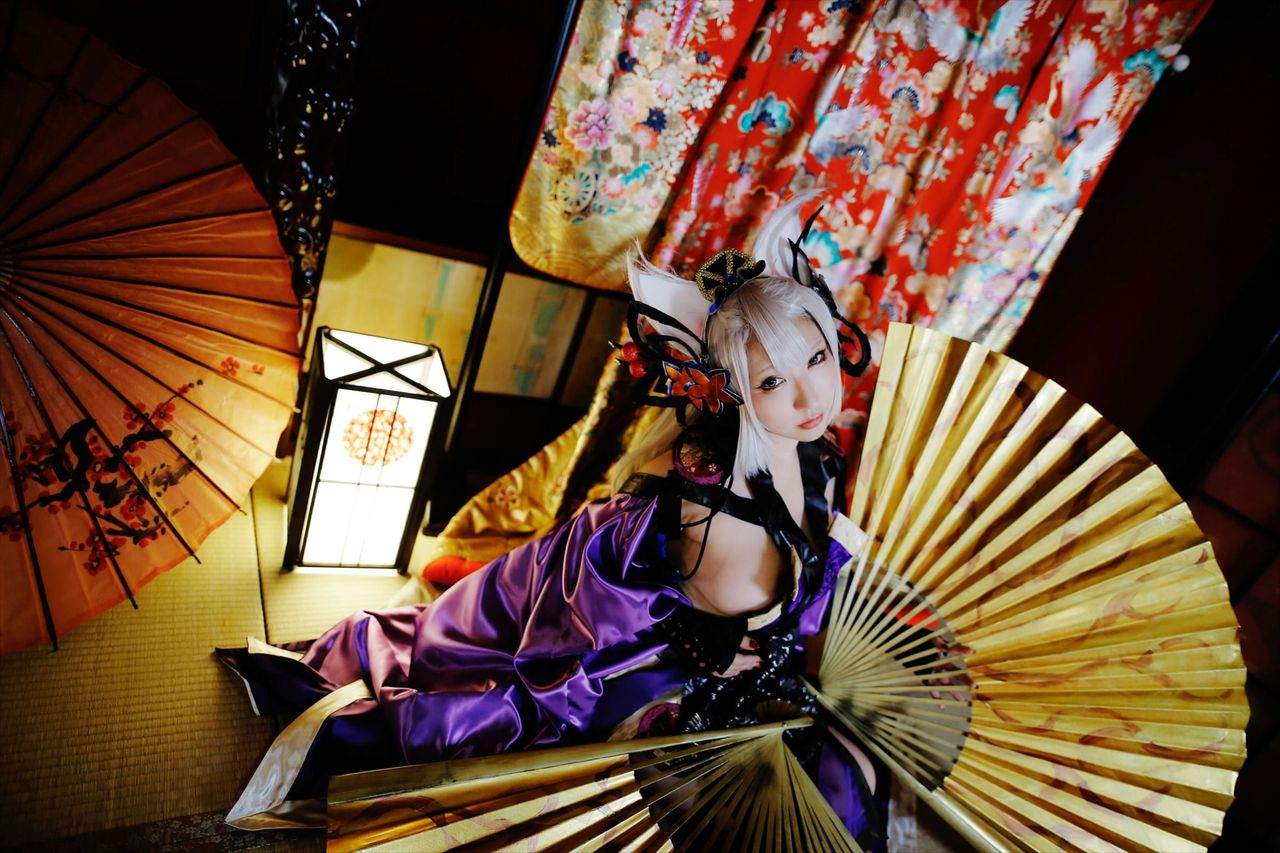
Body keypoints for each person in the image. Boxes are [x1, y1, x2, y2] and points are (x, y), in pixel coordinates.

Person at [216, 194, 888, 848]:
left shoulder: (816, 457)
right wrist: (719, 647)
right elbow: (587, 615)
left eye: (817, 358)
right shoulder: (702, 515)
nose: (812, 396)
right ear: (730, 390)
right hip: (660, 677)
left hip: (761, 670)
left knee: (856, 776)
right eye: (771, 382)